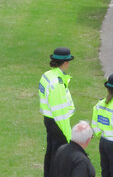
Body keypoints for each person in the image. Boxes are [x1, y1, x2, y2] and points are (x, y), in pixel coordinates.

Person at [39, 47, 75, 177]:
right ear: (65, 63)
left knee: (51, 152)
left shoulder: (47, 75)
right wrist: (69, 135)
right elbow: (60, 114)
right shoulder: (57, 83)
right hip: (57, 123)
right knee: (59, 156)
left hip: (48, 119)